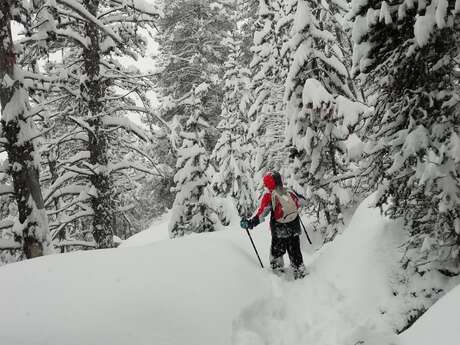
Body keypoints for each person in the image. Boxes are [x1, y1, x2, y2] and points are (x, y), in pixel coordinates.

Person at [240, 171, 306, 279]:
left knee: (277, 252)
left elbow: (261, 215)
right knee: (295, 250)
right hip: (294, 227)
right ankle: (299, 269)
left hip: (279, 231)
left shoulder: (269, 196)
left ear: (268, 183)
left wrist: (250, 223)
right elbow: (302, 202)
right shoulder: (289, 191)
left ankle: (278, 272)